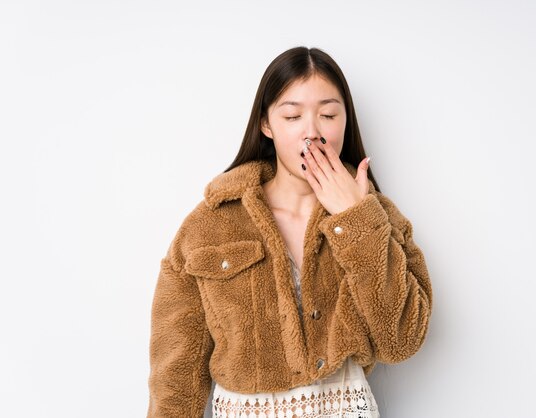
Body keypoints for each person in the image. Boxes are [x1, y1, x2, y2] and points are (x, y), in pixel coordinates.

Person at [146, 46, 434, 418]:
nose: (311, 132)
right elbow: (176, 375)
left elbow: (402, 340)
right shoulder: (210, 224)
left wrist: (356, 219)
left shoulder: (376, 217)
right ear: (267, 124)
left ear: (346, 122)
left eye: (328, 114)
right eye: (293, 115)